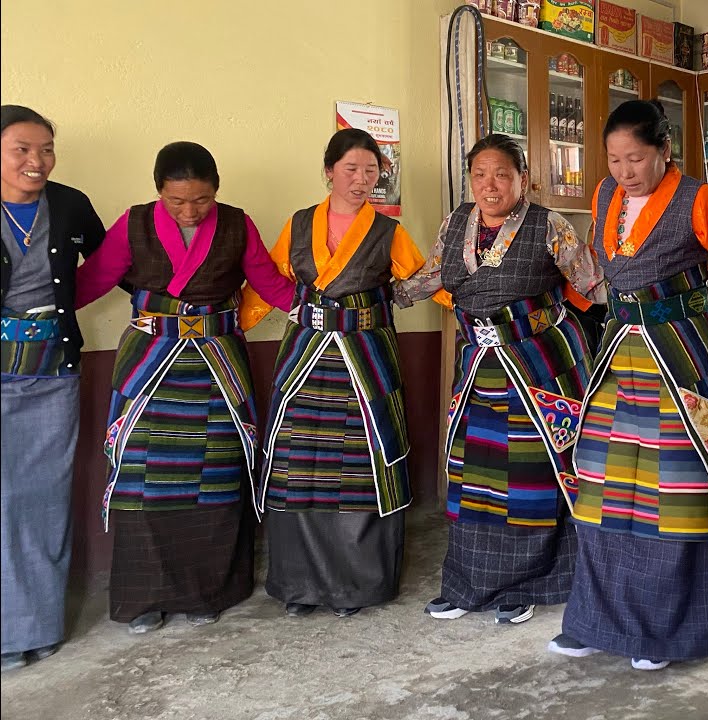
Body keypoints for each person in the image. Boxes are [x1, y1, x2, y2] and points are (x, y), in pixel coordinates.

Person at [548, 99, 708, 671]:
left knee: (676, 497)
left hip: (678, 360)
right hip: (616, 357)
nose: (623, 172)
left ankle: (665, 631)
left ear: (666, 152)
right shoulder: (605, 197)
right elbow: (602, 270)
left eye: (636, 159)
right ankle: (593, 620)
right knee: (601, 489)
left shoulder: (699, 201)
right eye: (614, 160)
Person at [74, 141, 295, 634]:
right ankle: (144, 597)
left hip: (215, 365)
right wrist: (41, 304)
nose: (191, 211)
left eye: (201, 200)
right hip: (150, 366)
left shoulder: (237, 223)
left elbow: (267, 279)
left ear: (216, 191)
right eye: (177, 201)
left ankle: (206, 592)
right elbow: (93, 280)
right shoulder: (133, 223)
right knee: (141, 481)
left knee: (214, 475)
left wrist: (314, 309)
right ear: (158, 193)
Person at [395, 134, 605, 625]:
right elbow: (433, 276)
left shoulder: (549, 224)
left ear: (523, 179)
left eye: (502, 174)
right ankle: (467, 583)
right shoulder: (456, 222)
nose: (490, 185)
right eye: (480, 174)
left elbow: (592, 282)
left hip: (538, 367)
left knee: (530, 476)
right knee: (475, 476)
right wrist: (383, 297)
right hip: (477, 368)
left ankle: (528, 584)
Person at [240, 128, 425, 618]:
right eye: (352, 169)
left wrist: (474, 306)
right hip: (305, 357)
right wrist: (229, 326)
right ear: (328, 172)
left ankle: (356, 586)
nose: (362, 179)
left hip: (365, 359)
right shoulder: (299, 224)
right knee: (297, 464)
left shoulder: (387, 231)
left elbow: (422, 279)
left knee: (362, 467)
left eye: (372, 170)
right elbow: (269, 284)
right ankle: (299, 585)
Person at [1, 105, 106, 672]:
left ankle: (37, 625)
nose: (36, 161)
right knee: (3, 498)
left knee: (43, 495)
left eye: (45, 149)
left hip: (52, 370)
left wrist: (61, 309)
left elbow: (108, 259)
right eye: (21, 149)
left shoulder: (68, 204)